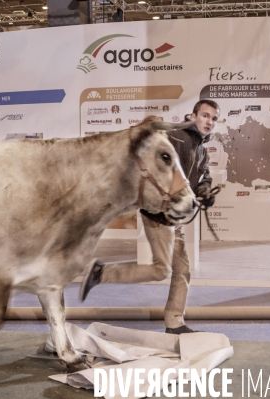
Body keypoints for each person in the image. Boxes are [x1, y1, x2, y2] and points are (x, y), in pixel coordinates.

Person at [79, 99, 220, 335]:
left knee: (182, 269)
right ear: (194, 115)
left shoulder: (202, 151)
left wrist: (205, 191)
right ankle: (100, 273)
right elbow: (153, 155)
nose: (209, 121)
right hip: (158, 213)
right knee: (161, 270)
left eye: (214, 118)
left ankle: (175, 322)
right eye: (205, 115)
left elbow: (203, 177)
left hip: (173, 215)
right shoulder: (176, 138)